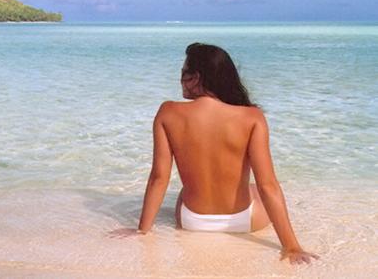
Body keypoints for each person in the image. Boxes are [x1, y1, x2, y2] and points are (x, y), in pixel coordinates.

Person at [110, 43, 319, 265]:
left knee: (184, 191)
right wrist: (291, 247)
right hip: (244, 220)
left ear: (196, 77)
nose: (180, 79)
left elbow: (159, 178)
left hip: (191, 220)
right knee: (256, 188)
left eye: (184, 73)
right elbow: (268, 185)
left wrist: (142, 230)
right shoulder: (252, 117)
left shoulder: (168, 112)